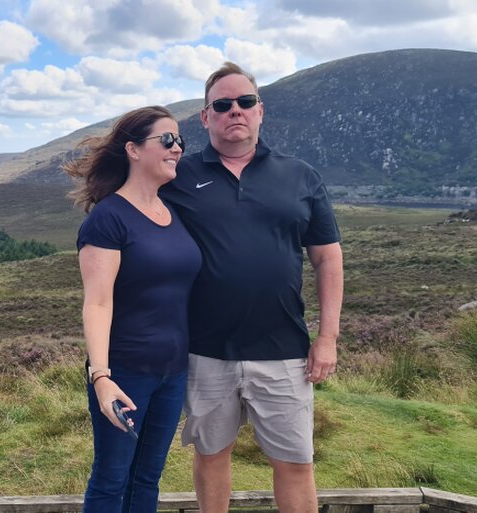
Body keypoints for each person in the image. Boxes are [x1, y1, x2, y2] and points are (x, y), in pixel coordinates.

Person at [159, 62, 344, 513]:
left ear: (261, 111)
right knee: (211, 456)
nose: (234, 111)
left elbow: (327, 257)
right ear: (206, 117)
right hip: (205, 350)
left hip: (284, 350)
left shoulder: (300, 176)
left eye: (244, 102)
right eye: (222, 105)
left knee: (296, 463)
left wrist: (327, 338)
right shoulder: (178, 176)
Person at [66, 105, 200, 512]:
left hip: (172, 373)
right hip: (125, 373)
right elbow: (98, 301)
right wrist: (102, 377)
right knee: (111, 479)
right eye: (167, 139)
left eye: (180, 140)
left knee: (147, 479)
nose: (177, 148)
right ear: (134, 150)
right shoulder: (108, 219)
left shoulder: (171, 212)